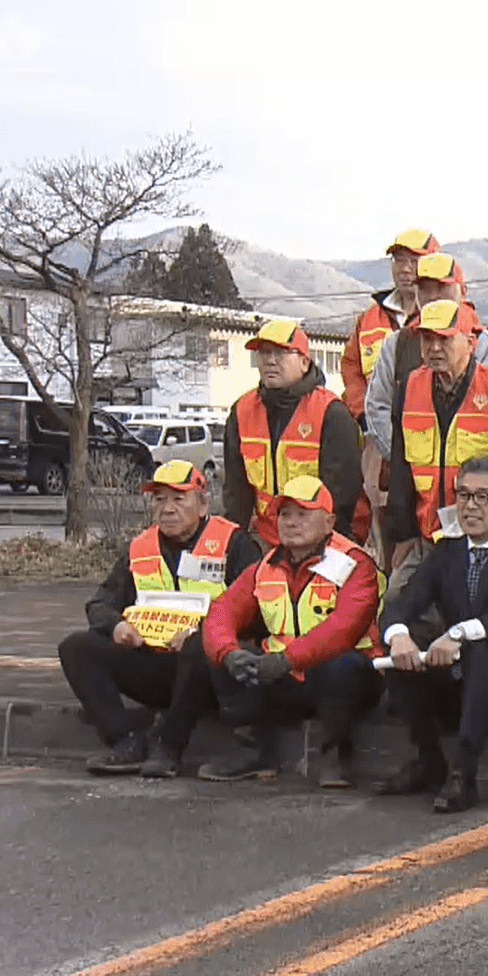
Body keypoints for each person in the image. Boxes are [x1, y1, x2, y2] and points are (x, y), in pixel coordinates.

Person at [57, 460, 258, 778]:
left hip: (210, 673)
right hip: (154, 663)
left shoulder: (235, 543)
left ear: (203, 503)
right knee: (76, 647)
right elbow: (100, 604)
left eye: (179, 498)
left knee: (199, 645)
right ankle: (124, 742)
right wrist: (117, 625)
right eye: (159, 499)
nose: (167, 508)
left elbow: (256, 609)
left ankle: (169, 747)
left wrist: (201, 631)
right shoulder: (141, 547)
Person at [373, 457, 488, 813]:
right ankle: (429, 762)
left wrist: (459, 633)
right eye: (463, 495)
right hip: (456, 684)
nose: (470, 506)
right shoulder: (446, 552)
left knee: (481, 648)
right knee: (398, 654)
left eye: (483, 497)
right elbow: (401, 604)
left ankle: (464, 773)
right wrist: (399, 635)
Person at [199, 476, 384, 787]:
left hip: (344, 680)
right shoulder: (265, 565)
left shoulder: (356, 564)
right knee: (220, 652)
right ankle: (253, 751)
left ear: (329, 522)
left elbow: (341, 632)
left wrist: (286, 660)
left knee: (342, 664)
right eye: (285, 514)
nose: (291, 522)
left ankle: (335, 756)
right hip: (282, 675)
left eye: (303, 514)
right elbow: (222, 612)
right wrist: (229, 654)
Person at [386, 299, 488, 577]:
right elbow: (400, 467)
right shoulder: (408, 388)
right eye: (427, 338)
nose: (434, 348)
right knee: (395, 602)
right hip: (425, 539)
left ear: (471, 343)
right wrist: (402, 533)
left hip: (483, 542)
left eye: (444, 339)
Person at [223, 320, 363, 543]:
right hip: (266, 538)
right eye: (263, 353)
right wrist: (235, 545)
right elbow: (235, 492)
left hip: (320, 540)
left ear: (304, 362)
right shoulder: (242, 410)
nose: (270, 360)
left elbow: (342, 497)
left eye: (280, 353)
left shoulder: (331, 413)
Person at [364, 252, 488, 464]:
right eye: (424, 288)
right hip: (417, 481)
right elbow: (377, 408)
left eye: (442, 288)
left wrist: (478, 482)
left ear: (462, 292)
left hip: (475, 487)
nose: (432, 296)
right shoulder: (397, 343)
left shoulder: (482, 341)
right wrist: (404, 461)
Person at [344, 228, 436, 428]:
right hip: (373, 430)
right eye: (399, 260)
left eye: (413, 261)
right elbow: (352, 369)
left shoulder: (443, 318)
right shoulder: (368, 319)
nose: (404, 268)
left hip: (425, 430)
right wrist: (364, 415)